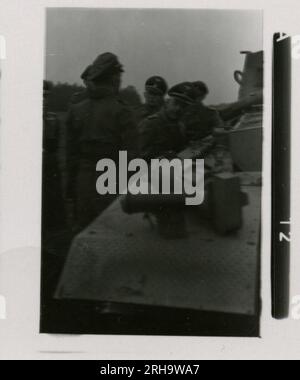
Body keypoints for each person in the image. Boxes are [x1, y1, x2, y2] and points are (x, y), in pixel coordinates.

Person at [66, 52, 138, 230]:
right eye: (119, 76)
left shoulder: (76, 110)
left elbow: (70, 156)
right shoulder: (123, 111)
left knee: (84, 230)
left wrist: (72, 187)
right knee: (110, 233)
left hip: (82, 181)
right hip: (110, 181)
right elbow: (132, 158)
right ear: (114, 78)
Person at [139, 82, 198, 239]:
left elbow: (181, 152)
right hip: (152, 184)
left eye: (183, 106)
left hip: (173, 182)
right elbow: (136, 159)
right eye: (176, 104)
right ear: (167, 102)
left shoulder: (179, 126)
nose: (179, 109)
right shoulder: (150, 124)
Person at [42, 80, 65, 232]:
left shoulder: (53, 119)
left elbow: (54, 146)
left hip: (48, 165)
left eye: (46, 96)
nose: (43, 100)